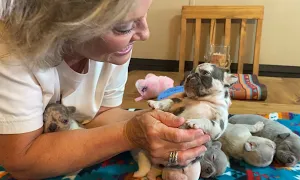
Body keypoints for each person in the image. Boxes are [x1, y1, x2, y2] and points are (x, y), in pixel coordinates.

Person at [0, 0, 211, 179]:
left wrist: (164, 122)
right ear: (67, 24)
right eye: (124, 27)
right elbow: (20, 160)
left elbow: (99, 114)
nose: (145, 33)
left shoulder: (109, 50)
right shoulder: (12, 50)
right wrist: (129, 134)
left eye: (145, 14)